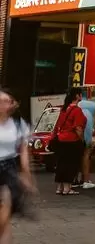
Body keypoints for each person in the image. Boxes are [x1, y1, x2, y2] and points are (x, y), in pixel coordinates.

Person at [0, 88, 34, 244]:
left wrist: (26, 174)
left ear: (12, 105)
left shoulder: (19, 125)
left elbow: (24, 151)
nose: (3, 104)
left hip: (9, 169)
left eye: (6, 101)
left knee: (5, 216)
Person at [53, 88, 85, 196]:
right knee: (70, 164)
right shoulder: (77, 110)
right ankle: (67, 188)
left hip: (61, 140)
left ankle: (59, 187)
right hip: (72, 141)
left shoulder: (64, 109)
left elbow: (57, 125)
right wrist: (82, 140)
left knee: (61, 163)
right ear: (77, 96)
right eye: (81, 94)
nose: (82, 96)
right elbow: (78, 128)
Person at [75, 89, 95, 190]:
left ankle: (75, 180)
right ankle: (85, 180)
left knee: (77, 155)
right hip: (88, 130)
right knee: (86, 155)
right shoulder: (92, 104)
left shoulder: (77, 104)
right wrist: (94, 121)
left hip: (77, 131)